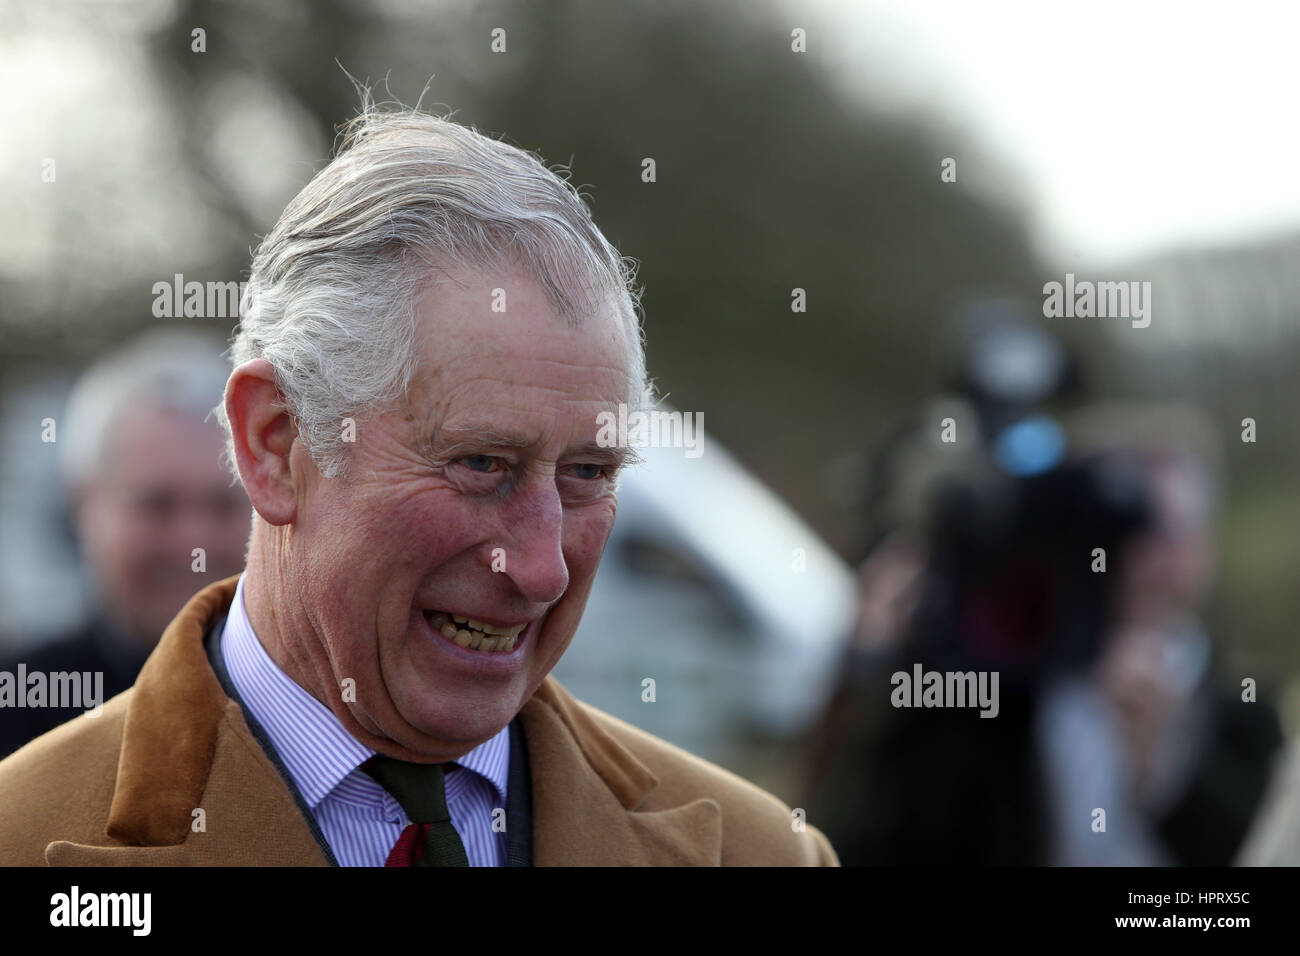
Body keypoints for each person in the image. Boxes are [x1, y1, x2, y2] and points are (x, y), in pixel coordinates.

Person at [0, 102, 837, 867]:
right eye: (482, 465)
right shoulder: (24, 834)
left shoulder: (763, 853)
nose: (543, 568)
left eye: (587, 473)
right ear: (274, 444)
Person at [0, 331, 249, 758]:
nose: (195, 542)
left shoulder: (320, 702)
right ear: (82, 507)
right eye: (158, 505)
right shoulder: (19, 706)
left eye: (224, 504)